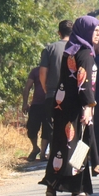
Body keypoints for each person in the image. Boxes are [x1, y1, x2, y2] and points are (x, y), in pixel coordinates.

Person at [40, 16, 99, 196]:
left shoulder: (71, 50)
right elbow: (83, 83)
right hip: (76, 105)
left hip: (61, 104)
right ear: (85, 31)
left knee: (61, 145)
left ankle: (52, 186)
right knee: (79, 146)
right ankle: (78, 190)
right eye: (95, 31)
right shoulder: (85, 53)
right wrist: (88, 106)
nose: (97, 35)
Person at [38, 20, 73, 156]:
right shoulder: (78, 49)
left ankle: (55, 154)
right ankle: (69, 153)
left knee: (53, 125)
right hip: (72, 95)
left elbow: (42, 72)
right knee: (70, 124)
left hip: (53, 93)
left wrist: (45, 88)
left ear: (59, 33)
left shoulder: (49, 49)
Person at [21, 66, 50, 161]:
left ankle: (43, 154)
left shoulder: (54, 70)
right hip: (36, 104)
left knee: (47, 129)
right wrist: (25, 103)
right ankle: (35, 148)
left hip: (49, 103)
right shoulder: (35, 71)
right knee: (31, 128)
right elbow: (27, 87)